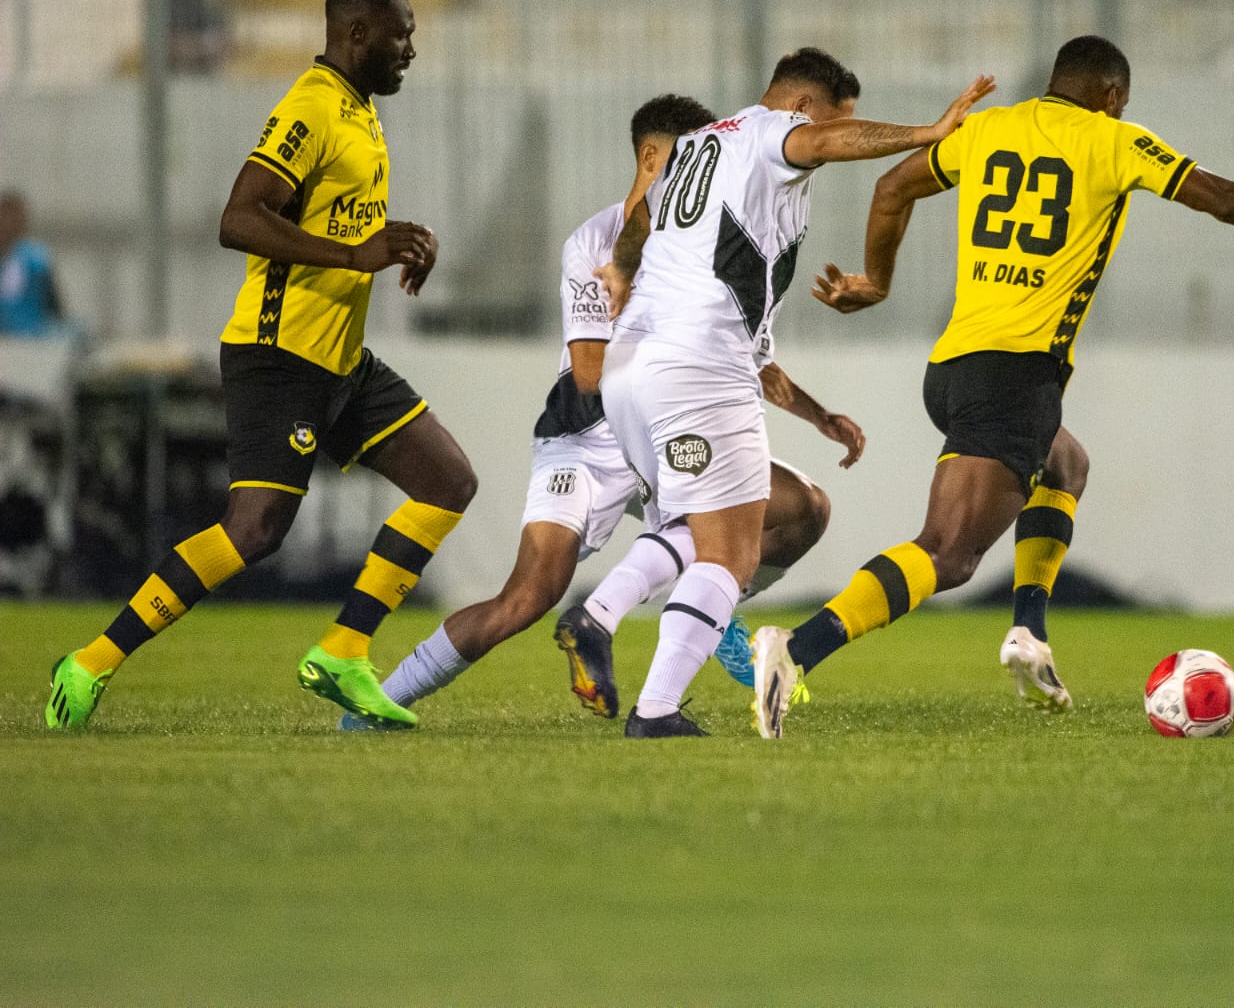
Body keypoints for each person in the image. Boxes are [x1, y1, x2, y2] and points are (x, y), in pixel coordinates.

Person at [751, 34, 1234, 738]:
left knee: (1066, 464)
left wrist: (878, 281)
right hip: (1015, 376)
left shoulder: (989, 128)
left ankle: (1028, 634)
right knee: (947, 552)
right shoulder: (1115, 141)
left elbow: (893, 187)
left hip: (952, 369)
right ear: (1113, 96)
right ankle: (797, 649)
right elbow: (1222, 199)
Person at [346, 94, 865, 727]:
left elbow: (742, 357)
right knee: (527, 596)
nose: (701, 171)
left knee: (805, 507)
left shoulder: (701, 240)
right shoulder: (596, 242)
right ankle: (379, 704)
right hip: (587, 441)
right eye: (687, 158)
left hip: (662, 434)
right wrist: (668, 361)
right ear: (650, 158)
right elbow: (591, 372)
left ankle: (708, 606)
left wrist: (819, 416)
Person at [46, 0, 473, 730]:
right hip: (278, 355)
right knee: (253, 531)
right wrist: (355, 255)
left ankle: (343, 651)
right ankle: (90, 663)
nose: (412, 47)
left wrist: (401, 243)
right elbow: (239, 218)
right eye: (401, 33)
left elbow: (342, 223)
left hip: (340, 358)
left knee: (447, 481)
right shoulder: (311, 105)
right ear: (357, 35)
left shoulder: (360, 109)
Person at [594, 46, 995, 737]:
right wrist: (927, 132)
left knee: (717, 530)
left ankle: (620, 630)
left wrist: (620, 273)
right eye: (834, 118)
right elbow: (826, 142)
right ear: (804, 106)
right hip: (699, 367)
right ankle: (634, 671)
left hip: (632, 368)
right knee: (730, 553)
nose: (828, 138)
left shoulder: (696, 149)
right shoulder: (773, 131)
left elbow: (637, 224)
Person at [0, 191, 66, 338]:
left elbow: (53, 305)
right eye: (5, 217)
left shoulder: (37, 259)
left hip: (30, 337)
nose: (9, 224)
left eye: (17, 218)